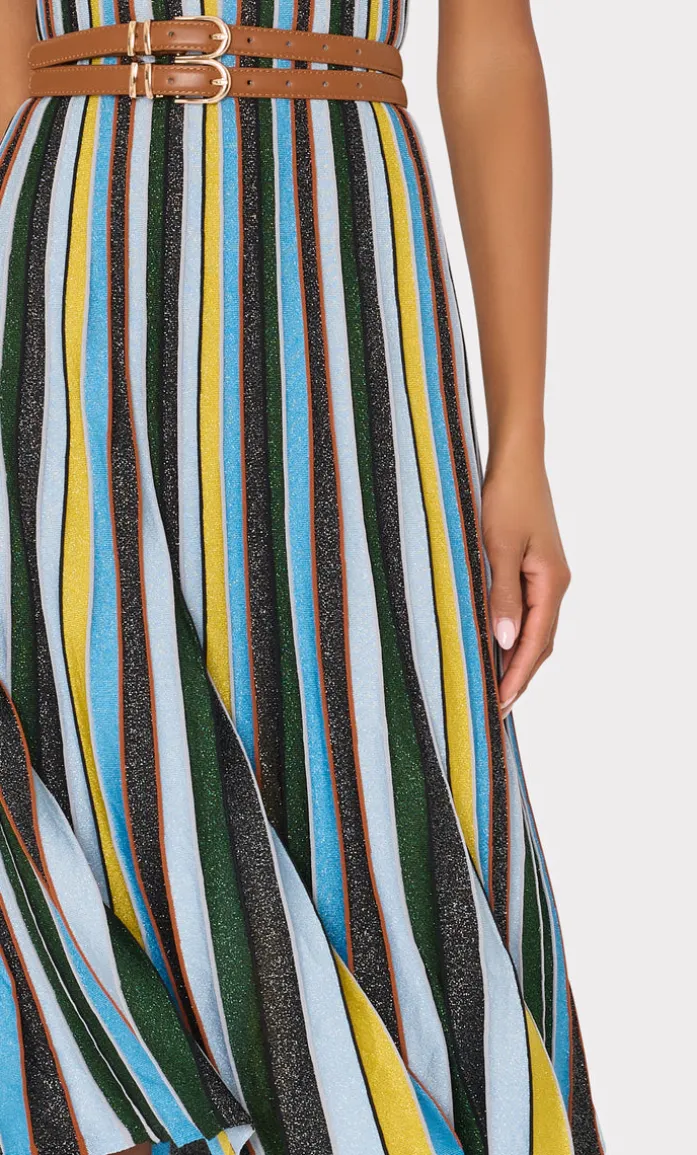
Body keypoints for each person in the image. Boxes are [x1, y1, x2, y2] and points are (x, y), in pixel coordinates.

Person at [0, 2, 602, 1153]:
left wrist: (519, 444)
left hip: (340, 262)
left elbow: (487, 48)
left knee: (365, 765)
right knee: (82, 742)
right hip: (61, 257)